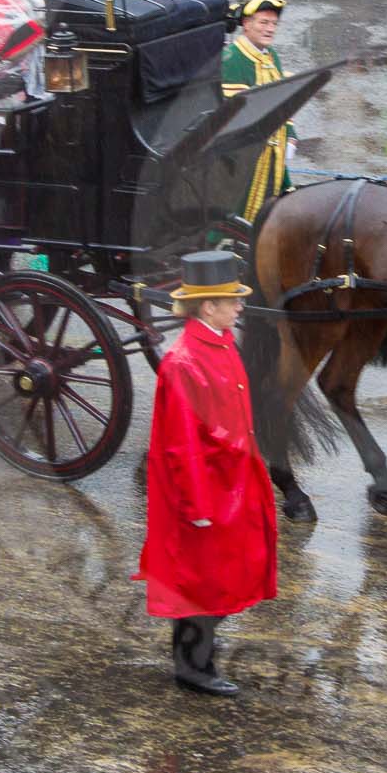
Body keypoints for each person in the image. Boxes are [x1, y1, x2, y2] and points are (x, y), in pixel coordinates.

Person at [132, 250, 276, 697]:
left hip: (232, 480)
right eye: (231, 300)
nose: (239, 306)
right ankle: (193, 668)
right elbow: (181, 443)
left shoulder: (220, 342)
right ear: (207, 306)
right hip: (208, 489)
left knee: (221, 575)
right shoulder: (183, 362)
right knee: (201, 580)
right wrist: (196, 504)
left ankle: (198, 659)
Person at [221, 0, 296, 220]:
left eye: (274, 24)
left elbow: (283, 100)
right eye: (263, 22)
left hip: (274, 151)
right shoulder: (232, 59)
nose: (270, 29)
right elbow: (238, 116)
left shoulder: (271, 56)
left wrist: (290, 135)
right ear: (246, 24)